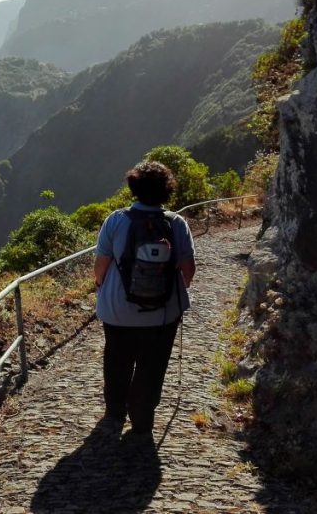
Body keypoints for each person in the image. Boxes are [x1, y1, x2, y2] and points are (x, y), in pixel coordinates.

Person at [93, 161, 196, 441]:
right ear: (167, 190)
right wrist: (170, 291)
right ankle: (142, 422)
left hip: (117, 311)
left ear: (134, 187)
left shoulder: (115, 220)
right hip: (163, 315)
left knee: (117, 361)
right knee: (152, 365)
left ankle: (114, 415)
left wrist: (102, 289)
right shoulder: (177, 224)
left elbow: (100, 265)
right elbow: (188, 269)